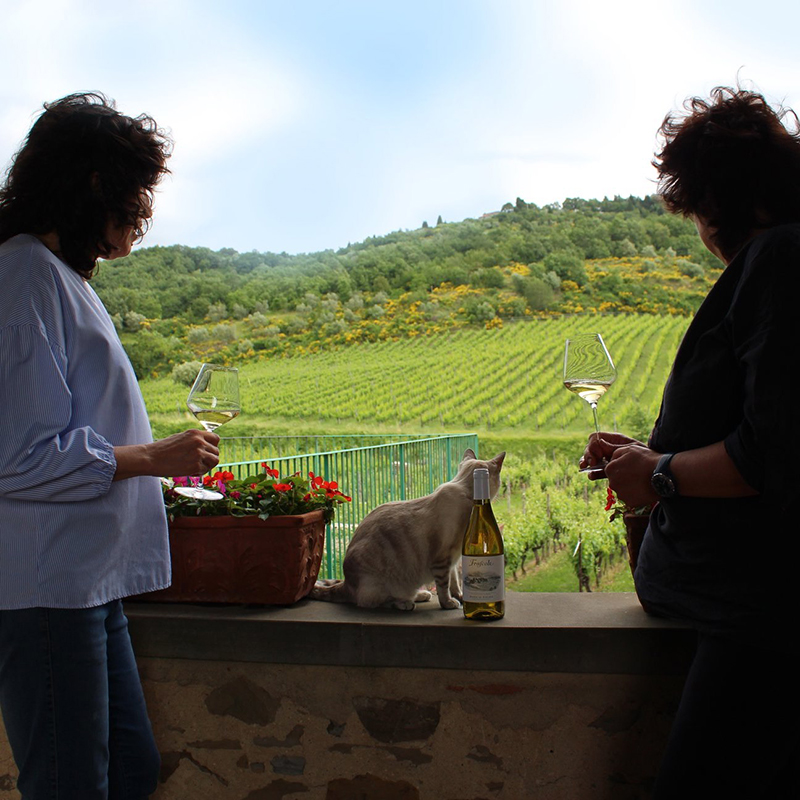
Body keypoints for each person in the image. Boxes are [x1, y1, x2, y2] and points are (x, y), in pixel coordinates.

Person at [582, 86, 800, 798]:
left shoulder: (780, 259)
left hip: (761, 628)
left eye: (699, 206)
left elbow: (771, 454)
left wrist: (660, 473)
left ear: (719, 201)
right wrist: (649, 458)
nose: (701, 229)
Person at [0, 93, 220, 799]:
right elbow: (18, 458)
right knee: (72, 784)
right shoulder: (23, 276)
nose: (142, 215)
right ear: (92, 185)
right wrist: (157, 459)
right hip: (47, 588)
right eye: (135, 196)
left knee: (129, 770)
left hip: (86, 580)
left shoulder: (56, 275)